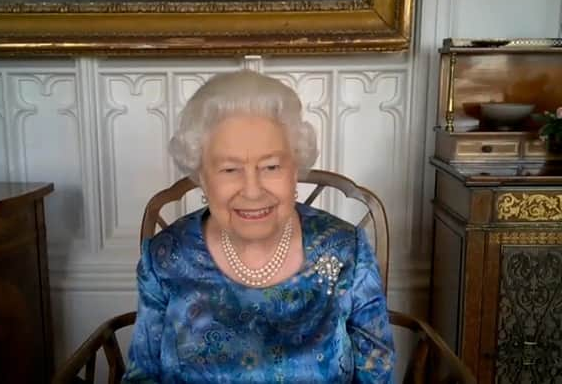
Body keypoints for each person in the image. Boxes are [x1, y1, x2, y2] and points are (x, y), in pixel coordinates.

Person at [122, 70, 395, 383]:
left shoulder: (346, 250)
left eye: (271, 167)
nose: (252, 190)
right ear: (202, 176)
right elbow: (142, 375)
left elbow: (378, 373)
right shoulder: (165, 258)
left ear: (295, 170)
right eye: (229, 169)